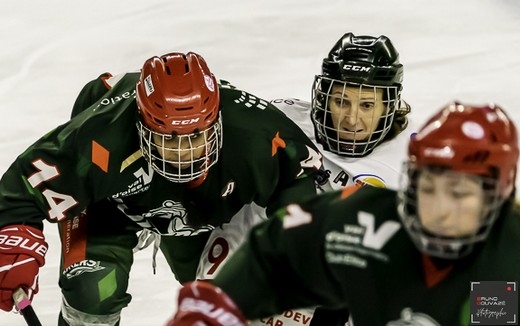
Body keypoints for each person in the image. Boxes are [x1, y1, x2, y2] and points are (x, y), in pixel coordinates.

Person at [0, 51, 324, 325]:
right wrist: (13, 242)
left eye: (196, 136)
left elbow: (297, 184)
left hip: (199, 209)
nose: (184, 154)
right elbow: (21, 189)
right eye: (169, 139)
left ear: (218, 120)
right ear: (140, 124)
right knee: (91, 289)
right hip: (113, 202)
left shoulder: (260, 133)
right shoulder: (103, 138)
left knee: (224, 302)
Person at [168, 101, 520, 326]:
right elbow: (278, 246)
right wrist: (216, 308)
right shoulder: (369, 219)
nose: (439, 209)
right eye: (428, 188)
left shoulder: (508, 265)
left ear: (499, 198)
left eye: (459, 194)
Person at [260, 32, 413, 325]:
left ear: (388, 107)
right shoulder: (282, 122)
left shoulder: (413, 161)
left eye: (367, 105)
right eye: (341, 101)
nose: (352, 119)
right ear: (323, 97)